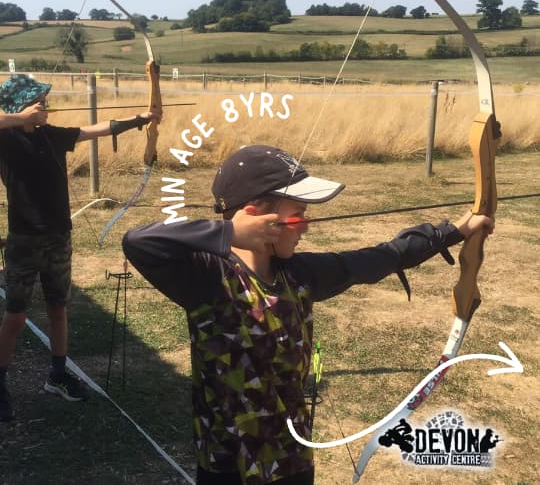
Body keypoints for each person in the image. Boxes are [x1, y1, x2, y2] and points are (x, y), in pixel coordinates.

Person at [121, 144, 494, 485]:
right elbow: (140, 242)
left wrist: (455, 231)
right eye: (298, 215)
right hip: (226, 464)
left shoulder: (299, 274)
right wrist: (230, 231)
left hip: (292, 460)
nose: (306, 225)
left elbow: (381, 257)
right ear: (256, 218)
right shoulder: (207, 277)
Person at [0, 74, 161, 422]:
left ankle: (57, 375)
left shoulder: (52, 135)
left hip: (59, 237)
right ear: (19, 105)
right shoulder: (6, 139)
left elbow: (96, 130)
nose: (44, 105)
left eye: (43, 100)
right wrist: (21, 119)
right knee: (15, 316)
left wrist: (140, 120)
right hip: (24, 240)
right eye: (36, 101)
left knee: (59, 308)